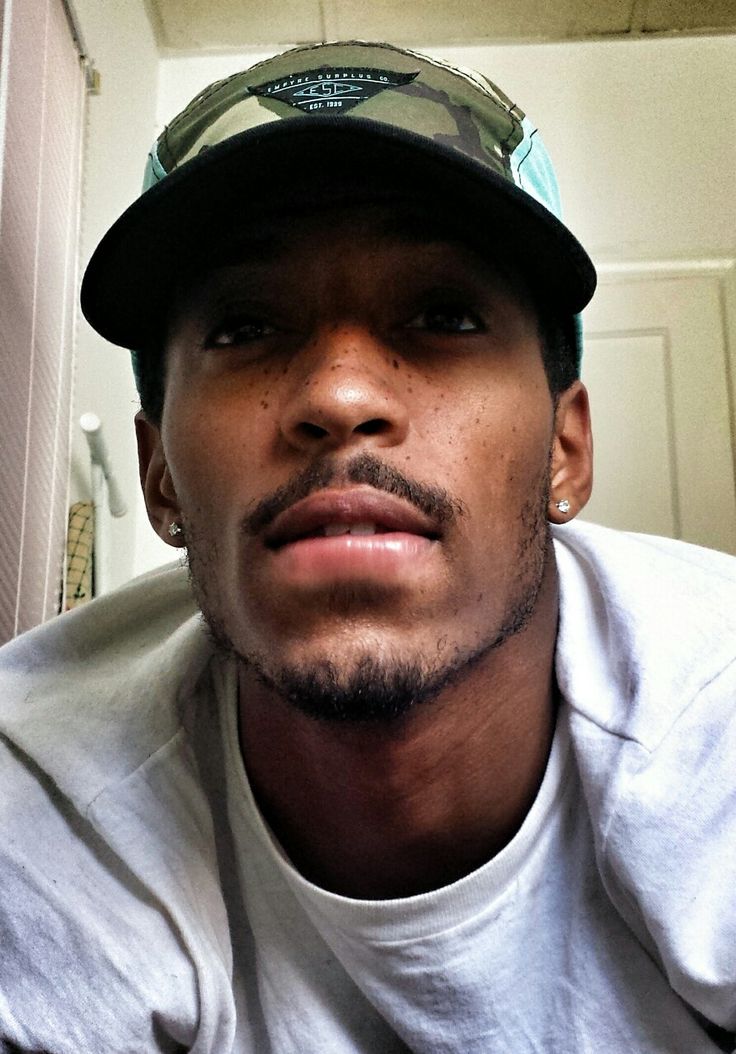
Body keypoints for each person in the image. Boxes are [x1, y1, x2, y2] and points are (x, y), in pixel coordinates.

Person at [1, 40, 734, 1054]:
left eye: (444, 314)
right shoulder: (37, 794)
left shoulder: (714, 723)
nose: (340, 396)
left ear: (564, 451)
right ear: (161, 477)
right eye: (244, 326)